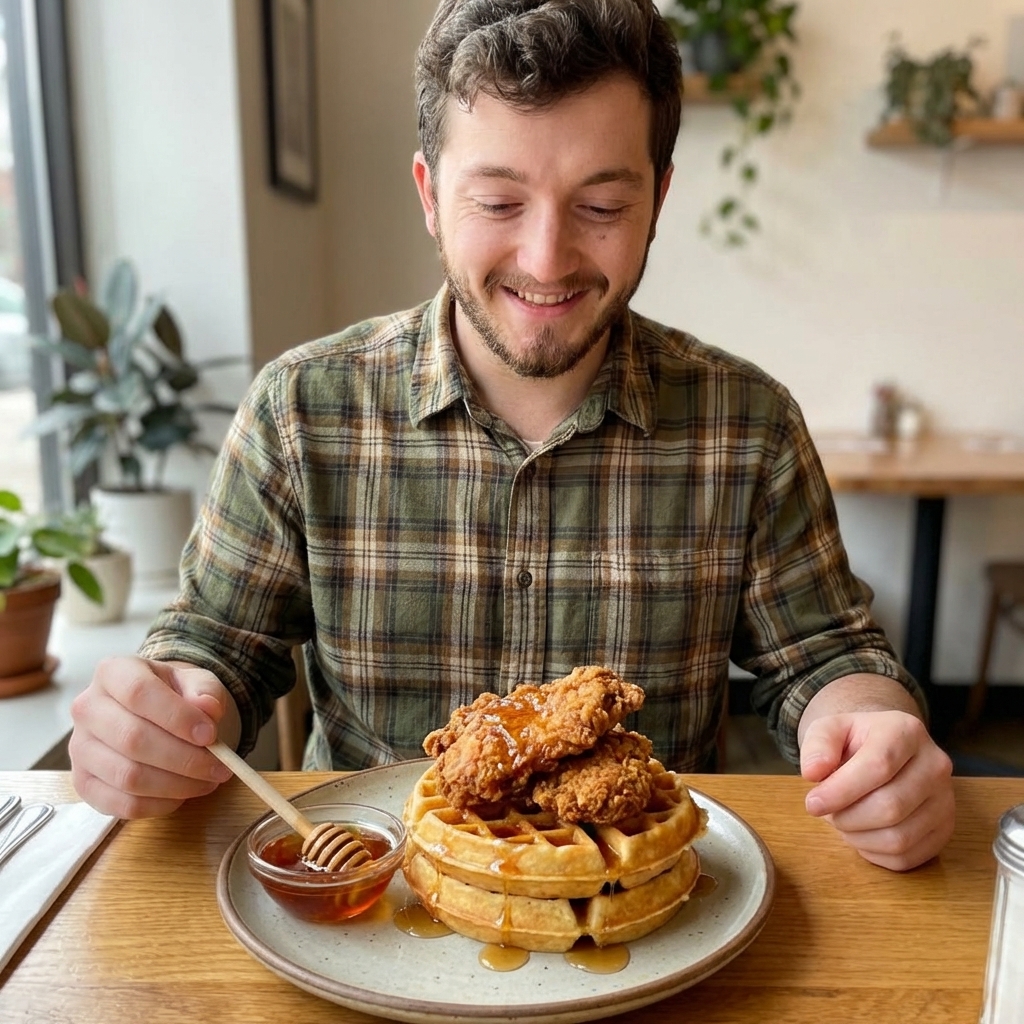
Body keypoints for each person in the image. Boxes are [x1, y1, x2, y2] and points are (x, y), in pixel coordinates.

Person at [68, 0, 954, 871]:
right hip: (374, 910)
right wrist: (164, 719)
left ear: (659, 198)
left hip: (644, 920)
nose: (545, 258)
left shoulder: (747, 425)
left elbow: (829, 656)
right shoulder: (301, 410)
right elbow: (218, 648)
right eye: (497, 201)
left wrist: (873, 726)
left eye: (602, 206)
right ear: (429, 195)